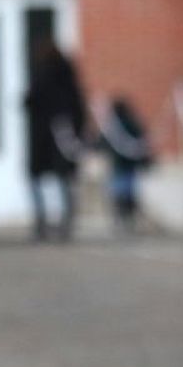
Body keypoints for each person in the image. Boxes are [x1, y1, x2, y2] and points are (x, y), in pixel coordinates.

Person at [24, 43, 87, 242]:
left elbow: (29, 101)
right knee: (64, 179)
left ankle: (41, 223)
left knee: (38, 179)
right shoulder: (68, 78)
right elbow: (79, 108)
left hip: (45, 136)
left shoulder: (41, 76)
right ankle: (65, 223)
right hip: (63, 136)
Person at [98, 95, 153, 233]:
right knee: (128, 193)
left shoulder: (112, 126)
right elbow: (141, 140)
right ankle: (129, 218)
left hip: (118, 166)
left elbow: (103, 142)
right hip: (129, 166)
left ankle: (121, 218)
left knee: (118, 193)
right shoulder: (132, 122)